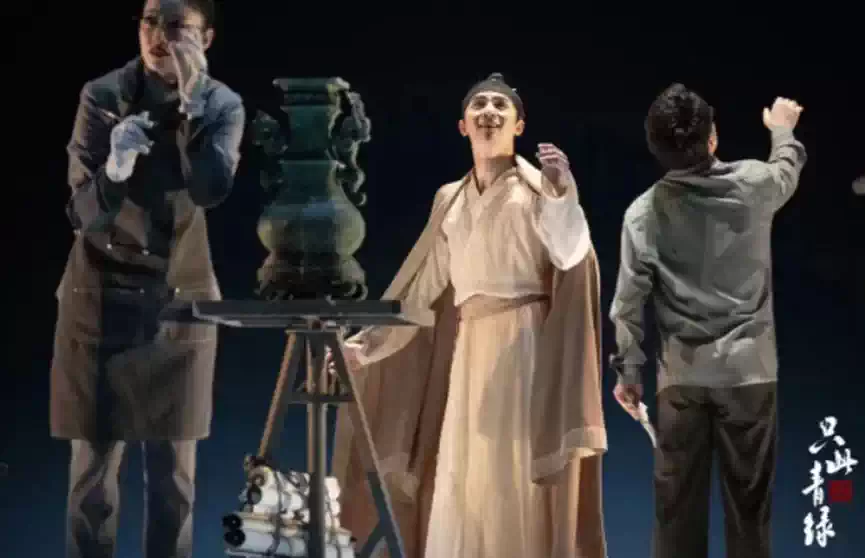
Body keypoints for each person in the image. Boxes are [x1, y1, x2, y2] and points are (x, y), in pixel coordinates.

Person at [331, 73, 608, 558]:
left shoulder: (538, 190)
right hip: (469, 347)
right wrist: (365, 347)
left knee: (511, 474)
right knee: (462, 477)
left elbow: (570, 255)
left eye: (501, 105)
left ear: (518, 125)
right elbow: (421, 292)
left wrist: (564, 193)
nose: (489, 112)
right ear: (463, 125)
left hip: (523, 345)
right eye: (478, 105)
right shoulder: (450, 199)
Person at [50, 1, 245, 557]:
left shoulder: (222, 104)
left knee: (173, 485)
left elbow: (210, 189)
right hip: (100, 297)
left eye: (176, 25)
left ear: (206, 37)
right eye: (149, 21)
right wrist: (114, 169)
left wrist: (193, 110)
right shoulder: (103, 95)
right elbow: (83, 214)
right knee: (91, 482)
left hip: (179, 299)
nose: (158, 35)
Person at [609, 83, 806, 558]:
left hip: (682, 381)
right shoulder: (752, 185)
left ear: (655, 147)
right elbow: (787, 168)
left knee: (676, 516)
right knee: (749, 512)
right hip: (749, 374)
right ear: (713, 137)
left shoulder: (642, 214)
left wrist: (629, 373)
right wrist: (782, 129)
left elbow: (628, 301)